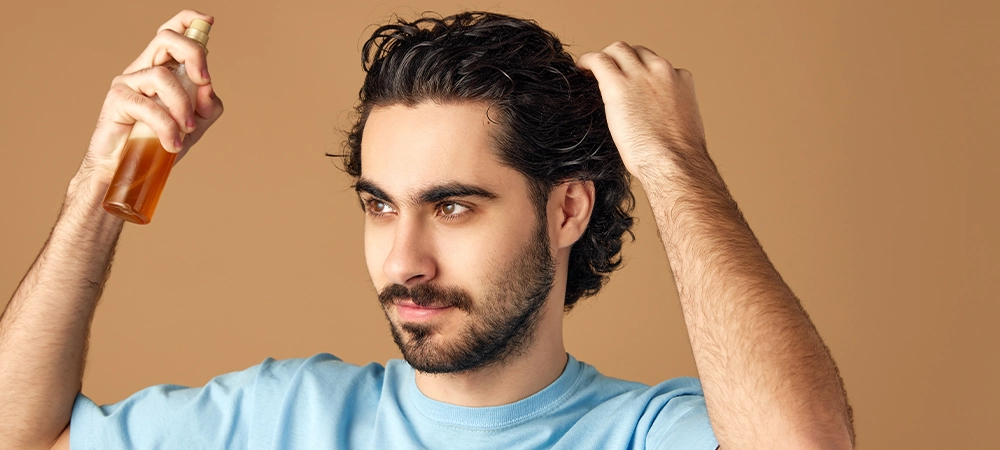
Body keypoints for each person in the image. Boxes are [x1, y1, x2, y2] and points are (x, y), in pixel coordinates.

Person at [0, 9, 855, 450]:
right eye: (380, 205)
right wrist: (97, 185)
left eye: (451, 206)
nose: (402, 260)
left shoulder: (642, 433)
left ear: (567, 209)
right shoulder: (284, 419)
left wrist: (672, 162)